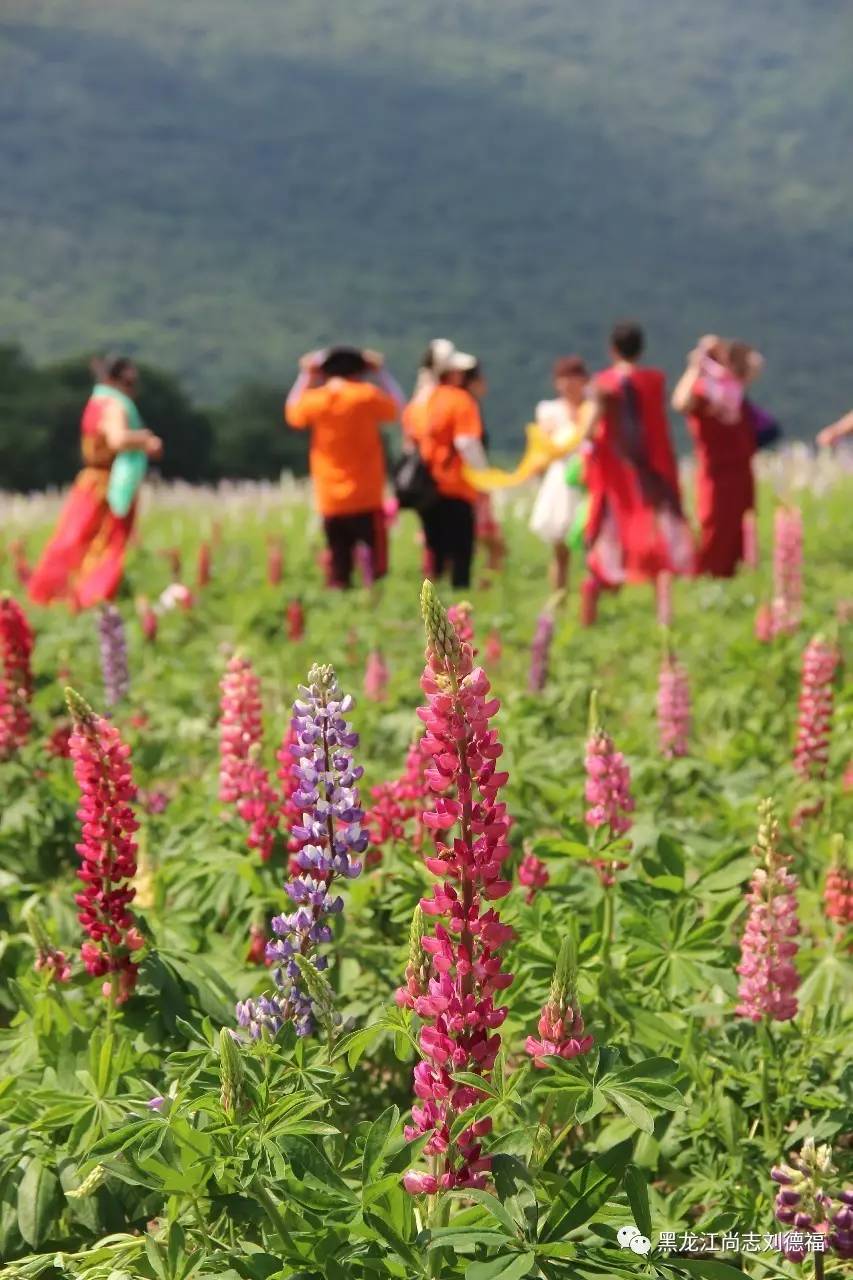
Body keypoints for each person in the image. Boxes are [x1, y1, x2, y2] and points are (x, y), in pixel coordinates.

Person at [28, 356, 162, 609]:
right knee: (106, 543)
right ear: (115, 380)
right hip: (108, 484)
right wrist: (146, 440)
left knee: (73, 537)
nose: (133, 390)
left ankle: (53, 596)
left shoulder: (96, 403)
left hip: (90, 482)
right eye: (130, 382)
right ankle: (90, 600)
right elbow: (118, 440)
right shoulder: (115, 406)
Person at [583, 322, 693, 611]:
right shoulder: (654, 380)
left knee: (609, 533)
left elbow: (589, 428)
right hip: (652, 471)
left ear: (612, 349)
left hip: (617, 476)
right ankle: (664, 615)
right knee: (657, 537)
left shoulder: (604, 384)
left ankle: (591, 612)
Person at [285, 346, 403, 588]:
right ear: (360, 371)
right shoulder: (366, 395)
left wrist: (305, 375)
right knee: (376, 570)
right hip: (366, 496)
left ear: (324, 372)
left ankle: (341, 610)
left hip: (330, 498)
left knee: (338, 568)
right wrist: (381, 372)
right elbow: (399, 408)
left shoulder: (316, 400)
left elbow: (291, 411)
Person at [672, 335, 762, 577]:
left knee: (739, 528)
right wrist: (696, 365)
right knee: (713, 526)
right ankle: (707, 575)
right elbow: (680, 402)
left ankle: (731, 576)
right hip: (715, 472)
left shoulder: (732, 387)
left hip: (740, 470)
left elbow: (755, 364)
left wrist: (725, 351)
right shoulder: (702, 392)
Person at [406, 350, 488, 589]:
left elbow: (410, 439)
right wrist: (484, 478)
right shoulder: (460, 400)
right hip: (455, 485)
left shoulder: (420, 402)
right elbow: (467, 443)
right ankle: (456, 600)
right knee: (461, 550)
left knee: (435, 548)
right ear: (452, 373)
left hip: (425, 487)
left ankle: (434, 596)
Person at [529, 355, 593, 590]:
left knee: (592, 546)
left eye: (573, 378)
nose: (568, 384)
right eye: (563, 379)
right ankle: (559, 599)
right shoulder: (550, 410)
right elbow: (545, 444)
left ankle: (591, 598)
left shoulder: (592, 408)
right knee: (560, 550)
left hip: (589, 478)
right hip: (562, 481)